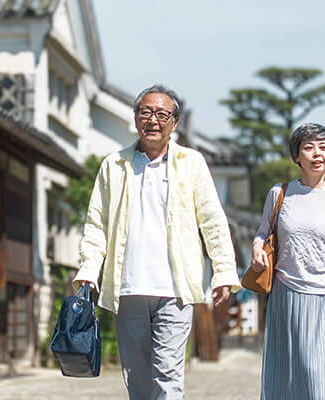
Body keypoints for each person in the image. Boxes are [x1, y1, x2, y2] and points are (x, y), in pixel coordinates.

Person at [73, 84, 241, 400]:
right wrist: (88, 269)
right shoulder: (114, 164)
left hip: (175, 289)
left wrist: (223, 272)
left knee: (168, 377)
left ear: (174, 123)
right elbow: (97, 224)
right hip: (128, 288)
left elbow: (213, 221)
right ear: (135, 119)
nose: (153, 120)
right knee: (136, 380)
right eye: (146, 112)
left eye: (162, 114)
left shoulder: (191, 163)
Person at [251, 123, 325, 399]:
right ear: (296, 156)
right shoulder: (279, 194)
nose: (317, 154)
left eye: (323, 147)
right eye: (309, 147)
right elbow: (262, 232)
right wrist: (257, 247)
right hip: (286, 294)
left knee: (317, 375)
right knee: (285, 376)